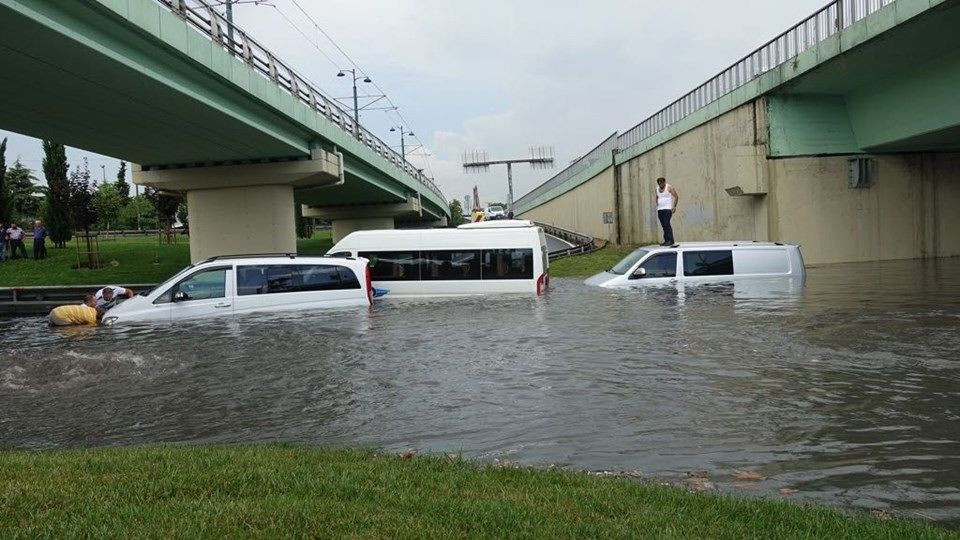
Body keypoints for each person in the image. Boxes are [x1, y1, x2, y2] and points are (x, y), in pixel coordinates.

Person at [655, 177, 679, 246]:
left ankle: (671, 240)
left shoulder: (669, 187)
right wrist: (658, 205)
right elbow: (657, 197)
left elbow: (676, 196)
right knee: (663, 226)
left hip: (667, 209)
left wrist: (674, 207)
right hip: (660, 210)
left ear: (664, 182)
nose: (660, 185)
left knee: (666, 224)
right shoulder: (657, 189)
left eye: (662, 183)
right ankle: (666, 240)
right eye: (659, 183)